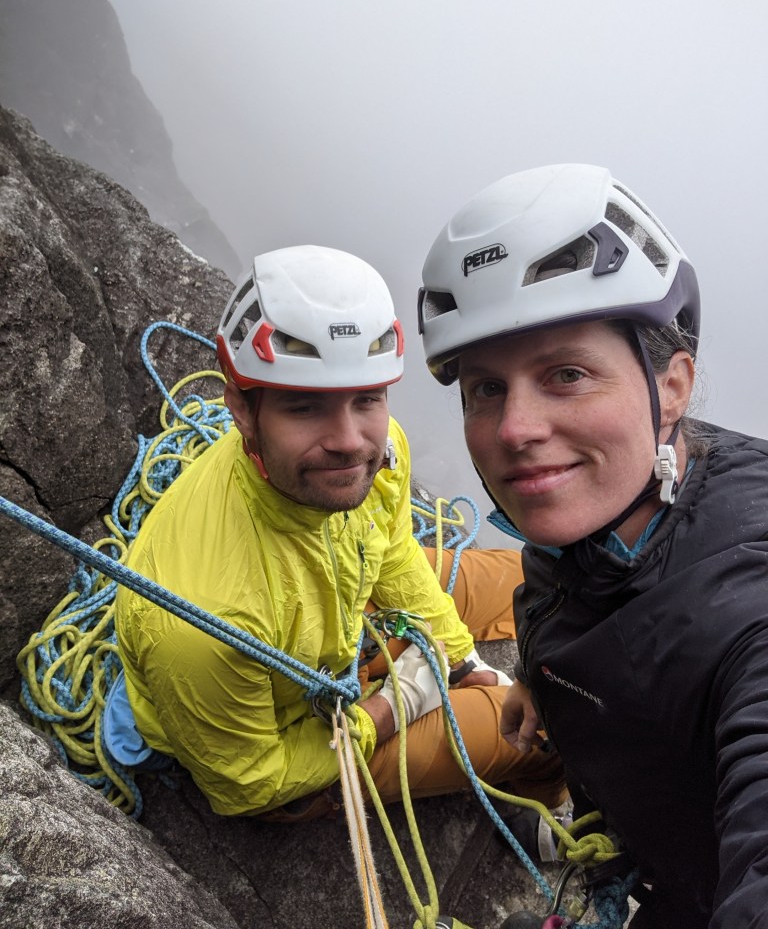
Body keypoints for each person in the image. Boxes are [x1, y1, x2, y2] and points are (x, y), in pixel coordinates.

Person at [417, 161, 768, 927]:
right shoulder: (606, 511)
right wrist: (542, 688)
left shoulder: (751, 599)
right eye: (486, 388)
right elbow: (575, 586)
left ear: (671, 386)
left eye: (567, 374)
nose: (515, 430)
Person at [111, 244, 566, 821]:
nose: (350, 440)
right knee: (548, 732)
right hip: (293, 730)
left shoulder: (375, 453)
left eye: (367, 399)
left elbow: (393, 552)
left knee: (533, 581)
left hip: (340, 603)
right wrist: (394, 704)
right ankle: (539, 822)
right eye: (305, 407)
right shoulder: (203, 625)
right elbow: (251, 784)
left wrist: (454, 658)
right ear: (243, 412)